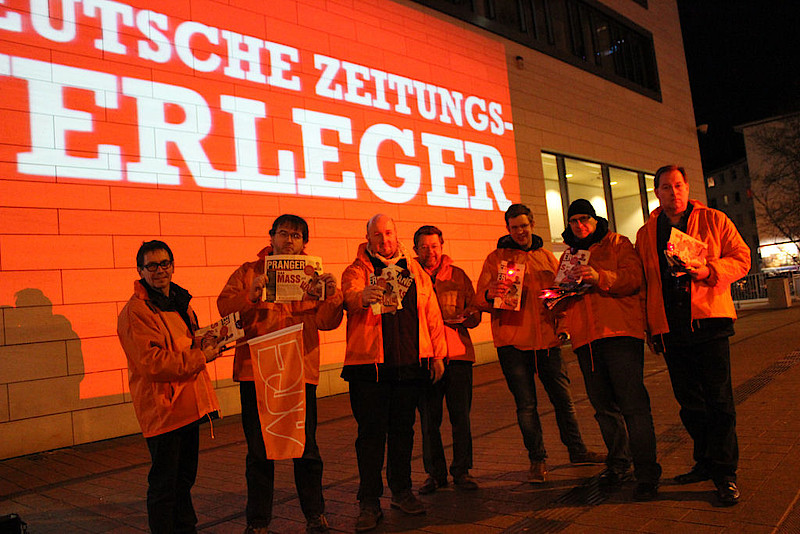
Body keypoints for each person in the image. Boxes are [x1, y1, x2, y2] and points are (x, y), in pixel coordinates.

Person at [217, 215, 343, 534]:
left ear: (304, 243)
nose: (289, 240)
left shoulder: (314, 276)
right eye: (283, 234)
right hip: (257, 373)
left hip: (300, 371)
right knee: (259, 452)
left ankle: (315, 515)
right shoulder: (249, 271)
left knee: (306, 448)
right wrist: (250, 296)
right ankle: (258, 521)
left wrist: (331, 295)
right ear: (271, 237)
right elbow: (224, 309)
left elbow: (327, 322)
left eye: (296, 236)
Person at [635, 165, 750, 506]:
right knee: (689, 404)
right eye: (666, 187)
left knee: (719, 402)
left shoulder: (714, 219)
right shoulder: (647, 233)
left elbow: (742, 258)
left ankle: (725, 473)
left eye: (678, 185)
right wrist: (649, 327)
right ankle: (705, 461)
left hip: (709, 322)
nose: (674, 192)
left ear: (687, 187)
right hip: (671, 328)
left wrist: (709, 270)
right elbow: (645, 283)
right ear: (656, 192)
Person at [475, 203, 604, 484]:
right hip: (512, 343)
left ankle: (577, 450)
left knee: (564, 401)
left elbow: (561, 298)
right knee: (526, 406)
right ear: (507, 229)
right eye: (514, 227)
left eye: (524, 225)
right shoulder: (495, 258)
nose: (520, 231)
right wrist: (488, 294)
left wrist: (564, 328)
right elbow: (479, 300)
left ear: (532, 224)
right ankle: (537, 459)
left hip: (548, 341)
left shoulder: (547, 257)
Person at [341, 214, 447, 532]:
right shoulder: (357, 270)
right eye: (377, 234)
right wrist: (361, 298)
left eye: (388, 233)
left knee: (403, 433)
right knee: (370, 437)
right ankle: (369, 501)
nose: (384, 240)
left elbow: (431, 313)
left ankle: (402, 491)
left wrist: (438, 355)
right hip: (368, 370)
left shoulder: (414, 271)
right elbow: (348, 296)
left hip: (409, 368)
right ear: (368, 238)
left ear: (397, 235)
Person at [557, 199, 661, 501]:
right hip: (586, 341)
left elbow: (634, 279)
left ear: (594, 219)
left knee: (634, 407)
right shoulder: (568, 256)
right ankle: (618, 464)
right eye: (574, 220)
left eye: (584, 219)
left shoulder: (617, 243)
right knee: (603, 409)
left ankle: (647, 472)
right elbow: (564, 298)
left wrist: (599, 276)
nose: (580, 225)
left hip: (620, 335)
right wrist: (557, 305)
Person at [117, 240, 222, 534]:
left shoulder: (178, 300)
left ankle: (186, 528)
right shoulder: (136, 311)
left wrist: (207, 341)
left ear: (173, 266)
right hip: (163, 409)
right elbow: (151, 363)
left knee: (183, 480)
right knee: (165, 485)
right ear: (140, 271)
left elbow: (184, 343)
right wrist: (201, 356)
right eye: (151, 265)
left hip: (188, 404)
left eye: (164, 263)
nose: (159, 270)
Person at [413, 225, 481, 494]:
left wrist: (470, 316)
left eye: (434, 246)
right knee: (429, 420)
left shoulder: (458, 275)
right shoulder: (409, 276)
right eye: (424, 247)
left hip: (458, 355)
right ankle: (435, 474)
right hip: (425, 358)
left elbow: (474, 311)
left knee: (460, 417)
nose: (430, 252)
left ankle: (462, 471)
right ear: (416, 249)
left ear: (442, 246)